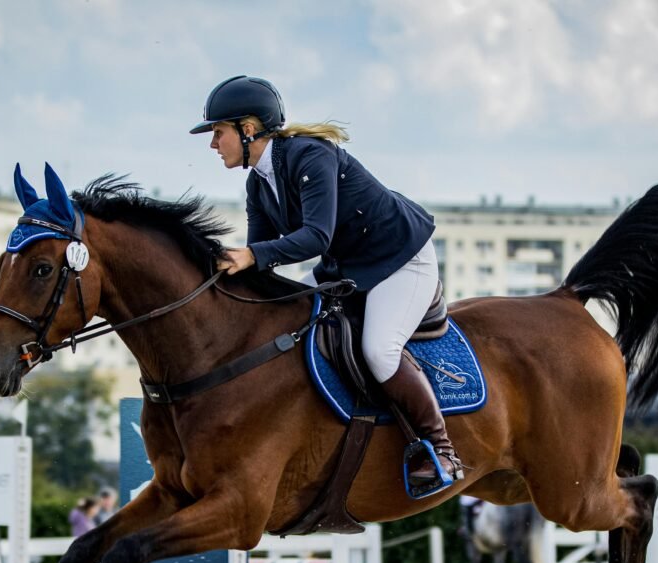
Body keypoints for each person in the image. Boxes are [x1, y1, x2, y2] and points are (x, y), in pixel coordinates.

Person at [190, 75, 463, 493]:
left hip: (400, 260)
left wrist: (250, 256)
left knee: (379, 350)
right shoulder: (258, 184)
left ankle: (441, 450)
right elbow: (262, 259)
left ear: (248, 130)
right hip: (348, 268)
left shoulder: (310, 156)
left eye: (218, 132)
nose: (213, 144)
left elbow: (315, 237)